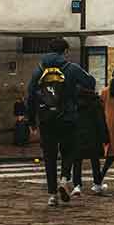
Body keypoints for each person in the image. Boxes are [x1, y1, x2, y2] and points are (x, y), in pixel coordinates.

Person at [26, 37, 95, 206]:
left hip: (46, 119)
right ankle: (64, 180)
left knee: (49, 157)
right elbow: (90, 82)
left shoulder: (39, 70)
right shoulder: (71, 68)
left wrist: (31, 120)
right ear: (65, 52)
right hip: (68, 118)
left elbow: (30, 96)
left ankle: (52, 195)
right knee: (69, 150)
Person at [72, 87, 109, 196]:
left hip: (78, 135)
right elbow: (100, 121)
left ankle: (77, 185)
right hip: (93, 135)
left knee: (77, 161)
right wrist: (105, 137)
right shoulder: (95, 103)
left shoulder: (75, 102)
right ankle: (97, 184)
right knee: (95, 160)